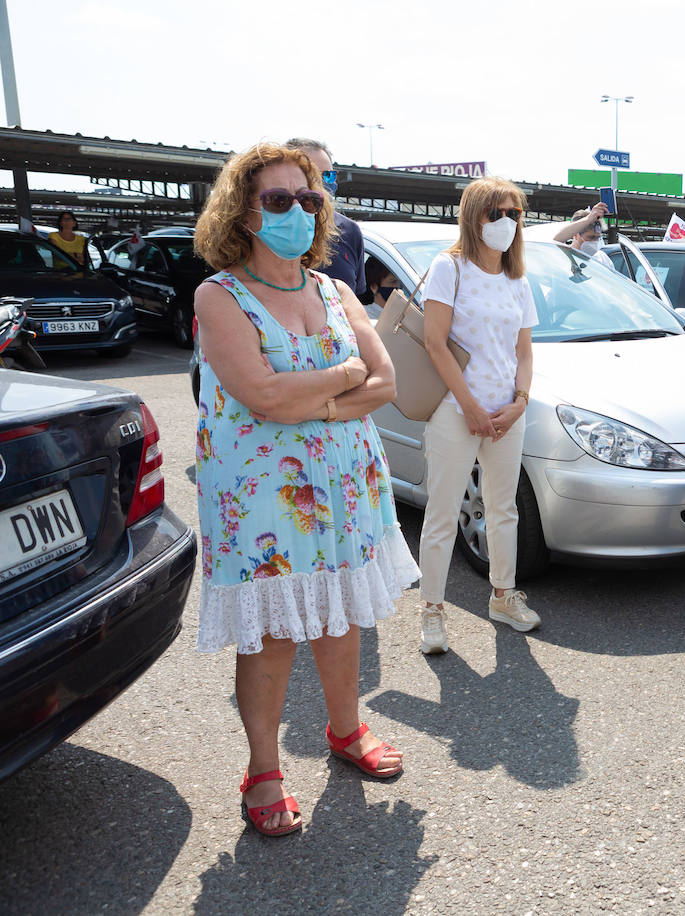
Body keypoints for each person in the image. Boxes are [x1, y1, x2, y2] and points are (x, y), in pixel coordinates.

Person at [192, 142, 420, 836]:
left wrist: (313, 397)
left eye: (309, 198)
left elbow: (386, 383)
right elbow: (262, 396)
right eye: (278, 199)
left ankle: (345, 729)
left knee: (341, 615)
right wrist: (339, 380)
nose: (297, 210)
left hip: (345, 481)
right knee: (269, 635)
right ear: (243, 211)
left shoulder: (335, 289)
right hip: (262, 496)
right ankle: (264, 768)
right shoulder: (219, 294)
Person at [416, 176, 540, 654]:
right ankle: (431, 611)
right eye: (496, 213)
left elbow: (524, 351)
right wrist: (469, 406)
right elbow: (434, 342)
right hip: (454, 410)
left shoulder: (518, 280)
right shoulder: (449, 267)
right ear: (474, 217)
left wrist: (520, 401)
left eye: (514, 214)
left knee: (503, 509)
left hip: (508, 413)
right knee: (443, 514)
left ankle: (503, 596)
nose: (506, 222)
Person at [284, 138, 367, 298]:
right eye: (313, 175)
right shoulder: (275, 231)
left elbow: (355, 297)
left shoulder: (349, 231)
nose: (322, 183)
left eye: (328, 175)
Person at [553, 202, 614, 268]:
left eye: (597, 238)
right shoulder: (563, 256)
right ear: (575, 235)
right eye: (590, 237)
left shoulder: (603, 259)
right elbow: (557, 240)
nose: (594, 242)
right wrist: (588, 219)